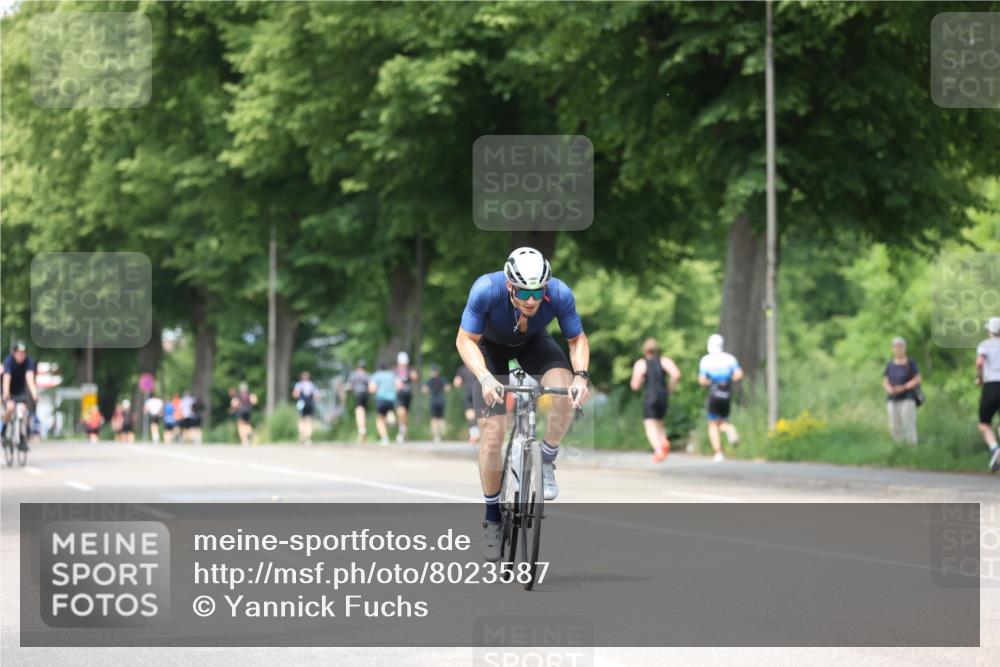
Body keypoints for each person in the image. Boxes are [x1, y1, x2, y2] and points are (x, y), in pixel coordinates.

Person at [455, 247, 590, 561]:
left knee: (563, 389)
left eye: (538, 291)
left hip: (534, 345)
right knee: (492, 434)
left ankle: (546, 458)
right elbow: (465, 340)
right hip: (489, 352)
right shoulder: (486, 289)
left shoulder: (559, 294)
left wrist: (581, 376)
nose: (532, 299)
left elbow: (576, 340)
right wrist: (486, 378)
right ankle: (491, 517)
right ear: (509, 285)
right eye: (525, 291)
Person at [630, 338, 681, 463]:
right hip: (663, 395)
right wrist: (670, 388)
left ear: (645, 351)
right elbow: (676, 374)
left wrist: (641, 380)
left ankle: (658, 450)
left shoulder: (641, 363)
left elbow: (634, 386)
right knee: (659, 421)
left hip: (650, 395)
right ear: (656, 350)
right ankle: (663, 441)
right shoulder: (664, 361)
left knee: (649, 424)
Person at [698, 334, 743, 462]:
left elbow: (701, 380)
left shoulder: (706, 360)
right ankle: (730, 429)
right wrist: (728, 380)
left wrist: (710, 382)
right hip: (726, 394)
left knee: (713, 424)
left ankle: (718, 453)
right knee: (723, 422)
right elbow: (739, 374)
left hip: (713, 394)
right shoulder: (729, 359)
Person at [882, 336, 921, 445]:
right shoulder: (890, 364)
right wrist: (889, 389)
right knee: (894, 425)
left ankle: (911, 448)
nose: (898, 349)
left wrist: (903, 387)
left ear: (905, 348)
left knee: (908, 424)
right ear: (892, 349)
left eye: (901, 346)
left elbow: (917, 379)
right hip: (892, 398)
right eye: (896, 347)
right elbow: (885, 380)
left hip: (907, 398)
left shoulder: (910, 363)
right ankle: (897, 448)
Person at [1, 342, 38, 450]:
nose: (21, 355)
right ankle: (4, 430)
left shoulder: (29, 361)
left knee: (23, 412)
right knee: (10, 408)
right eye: (19, 353)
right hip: (8, 389)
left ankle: (22, 439)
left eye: (23, 353)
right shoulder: (9, 361)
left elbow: (30, 378)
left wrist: (34, 394)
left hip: (20, 390)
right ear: (14, 353)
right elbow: (7, 378)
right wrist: (6, 393)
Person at [976, 317, 1000, 473]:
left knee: (984, 424)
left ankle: (995, 448)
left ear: (990, 330)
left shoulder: (985, 345)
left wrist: (979, 377)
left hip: (991, 385)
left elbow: (980, 362)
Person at [368, 362, 398, 445]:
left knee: (380, 420)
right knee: (386, 416)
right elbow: (399, 385)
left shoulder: (376, 375)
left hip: (381, 399)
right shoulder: (392, 375)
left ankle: (384, 438)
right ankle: (390, 418)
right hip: (391, 399)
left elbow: (372, 389)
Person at [452, 363, 481, 443]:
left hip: (468, 393)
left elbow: (457, 383)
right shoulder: (479, 365)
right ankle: (478, 432)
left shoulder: (462, 369)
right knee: (480, 413)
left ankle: (473, 433)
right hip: (479, 392)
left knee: (470, 413)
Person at [394, 351, 418, 444]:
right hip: (402, 393)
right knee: (402, 411)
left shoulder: (409, 370)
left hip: (405, 393)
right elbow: (395, 382)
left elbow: (415, 379)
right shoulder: (397, 371)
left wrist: (414, 375)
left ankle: (403, 429)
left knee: (403, 412)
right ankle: (403, 430)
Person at [423, 364, 450, 443]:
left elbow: (424, 390)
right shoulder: (442, 379)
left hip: (434, 400)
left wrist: (429, 392)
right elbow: (448, 388)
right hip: (441, 400)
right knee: (441, 418)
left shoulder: (429, 380)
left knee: (434, 419)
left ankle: (436, 436)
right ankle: (440, 435)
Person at [293, 370, 318, 446]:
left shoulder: (300, 385)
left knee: (304, 419)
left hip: (303, 403)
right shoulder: (311, 385)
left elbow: (295, 394)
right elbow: (316, 396)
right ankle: (305, 436)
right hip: (306, 403)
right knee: (306, 420)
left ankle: (304, 436)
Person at [347, 360, 371, 442]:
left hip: (357, 395)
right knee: (364, 411)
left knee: (359, 412)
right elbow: (371, 386)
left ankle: (361, 428)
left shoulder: (354, 375)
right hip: (365, 395)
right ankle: (363, 429)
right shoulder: (367, 375)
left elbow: (350, 386)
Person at [229, 383, 257, 447]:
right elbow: (254, 401)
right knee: (247, 423)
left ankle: (244, 439)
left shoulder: (238, 396)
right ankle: (249, 432)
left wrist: (232, 410)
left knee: (241, 425)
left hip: (241, 411)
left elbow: (234, 404)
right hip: (248, 411)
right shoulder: (249, 395)